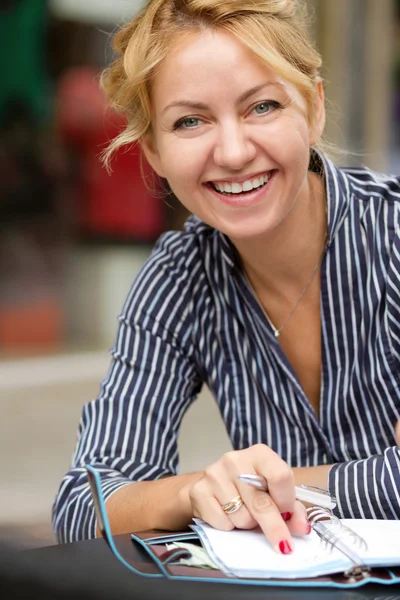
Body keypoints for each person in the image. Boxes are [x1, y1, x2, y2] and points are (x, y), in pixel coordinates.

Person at [52, 0, 400, 554]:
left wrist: (265, 492)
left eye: (262, 107)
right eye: (190, 121)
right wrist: (196, 492)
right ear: (155, 150)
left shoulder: (392, 237)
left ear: (312, 109)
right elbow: (83, 503)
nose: (234, 152)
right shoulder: (179, 279)